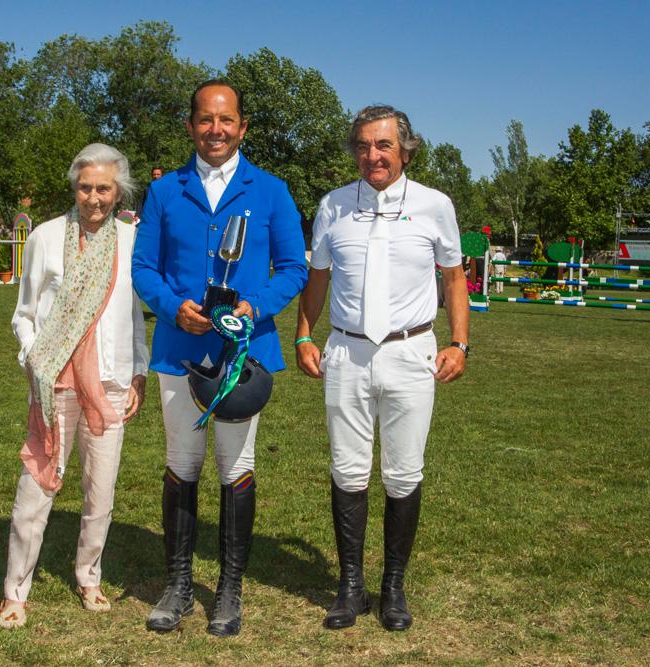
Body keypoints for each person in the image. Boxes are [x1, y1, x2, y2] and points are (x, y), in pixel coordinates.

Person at [131, 79, 307, 637]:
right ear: (190, 126)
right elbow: (143, 269)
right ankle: (178, 585)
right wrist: (169, 306)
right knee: (183, 464)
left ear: (242, 127)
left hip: (243, 357)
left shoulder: (272, 191)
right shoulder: (164, 192)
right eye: (205, 120)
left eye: (226, 120)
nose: (216, 130)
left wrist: (254, 308)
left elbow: (294, 269)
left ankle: (229, 590)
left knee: (236, 467)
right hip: (180, 350)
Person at [294, 105, 469, 632]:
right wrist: (304, 332)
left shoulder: (435, 205)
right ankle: (350, 588)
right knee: (348, 470)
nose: (373, 155)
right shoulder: (333, 206)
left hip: (411, 352)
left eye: (384, 145)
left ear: (406, 150)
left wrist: (460, 343)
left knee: (403, 473)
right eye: (364, 145)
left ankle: (393, 587)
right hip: (346, 352)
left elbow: (455, 278)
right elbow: (318, 278)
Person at [0, 143, 149, 629]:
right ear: (75, 187)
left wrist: (139, 373)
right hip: (55, 382)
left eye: (103, 188)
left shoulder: (130, 241)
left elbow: (134, 316)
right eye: (85, 187)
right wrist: (33, 358)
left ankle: (89, 576)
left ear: (118, 190)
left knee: (99, 492)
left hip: (109, 383)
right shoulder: (45, 236)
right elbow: (24, 312)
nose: (94, 198)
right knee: (37, 485)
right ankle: (14, 590)